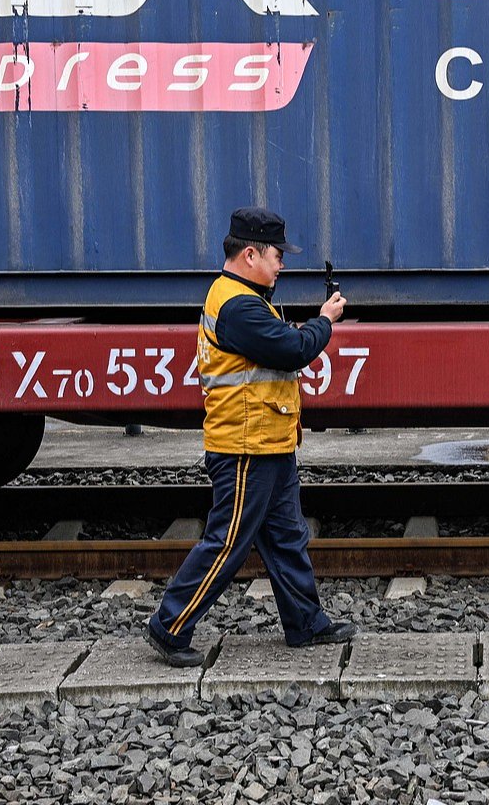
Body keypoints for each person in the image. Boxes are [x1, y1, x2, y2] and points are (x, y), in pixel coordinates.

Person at [146, 207, 354, 665]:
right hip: (244, 446)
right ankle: (169, 625)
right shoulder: (237, 305)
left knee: (286, 537)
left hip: (269, 442)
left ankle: (305, 623)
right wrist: (325, 320)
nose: (282, 264)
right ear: (250, 253)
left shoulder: (246, 299)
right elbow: (293, 349)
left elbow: (276, 345)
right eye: (278, 255)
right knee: (227, 542)